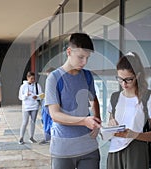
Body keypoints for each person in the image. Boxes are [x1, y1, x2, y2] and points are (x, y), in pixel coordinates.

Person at [45, 33, 101, 169]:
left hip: (88, 145)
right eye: (81, 57)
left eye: (87, 58)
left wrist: (97, 118)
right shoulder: (54, 78)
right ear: (69, 52)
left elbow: (94, 99)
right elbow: (55, 115)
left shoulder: (87, 76)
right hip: (63, 148)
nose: (84, 62)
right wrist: (84, 121)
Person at [106, 52, 151, 169]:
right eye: (120, 79)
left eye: (128, 79)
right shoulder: (115, 97)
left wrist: (134, 134)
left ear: (138, 76)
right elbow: (111, 121)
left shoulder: (148, 98)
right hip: (114, 150)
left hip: (136, 149)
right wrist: (111, 125)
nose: (123, 84)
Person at [18, 71, 43, 144]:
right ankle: (21, 137)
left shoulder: (37, 85)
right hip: (26, 106)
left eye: (33, 79)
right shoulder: (23, 86)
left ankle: (31, 137)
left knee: (32, 122)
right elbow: (20, 97)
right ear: (27, 78)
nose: (32, 80)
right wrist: (26, 95)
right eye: (31, 78)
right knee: (25, 122)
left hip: (34, 106)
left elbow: (42, 95)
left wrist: (37, 97)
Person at [39, 67, 55, 145]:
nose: (48, 76)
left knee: (51, 120)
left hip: (50, 103)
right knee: (45, 120)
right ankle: (47, 137)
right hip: (46, 102)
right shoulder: (49, 80)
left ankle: (51, 137)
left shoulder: (54, 81)